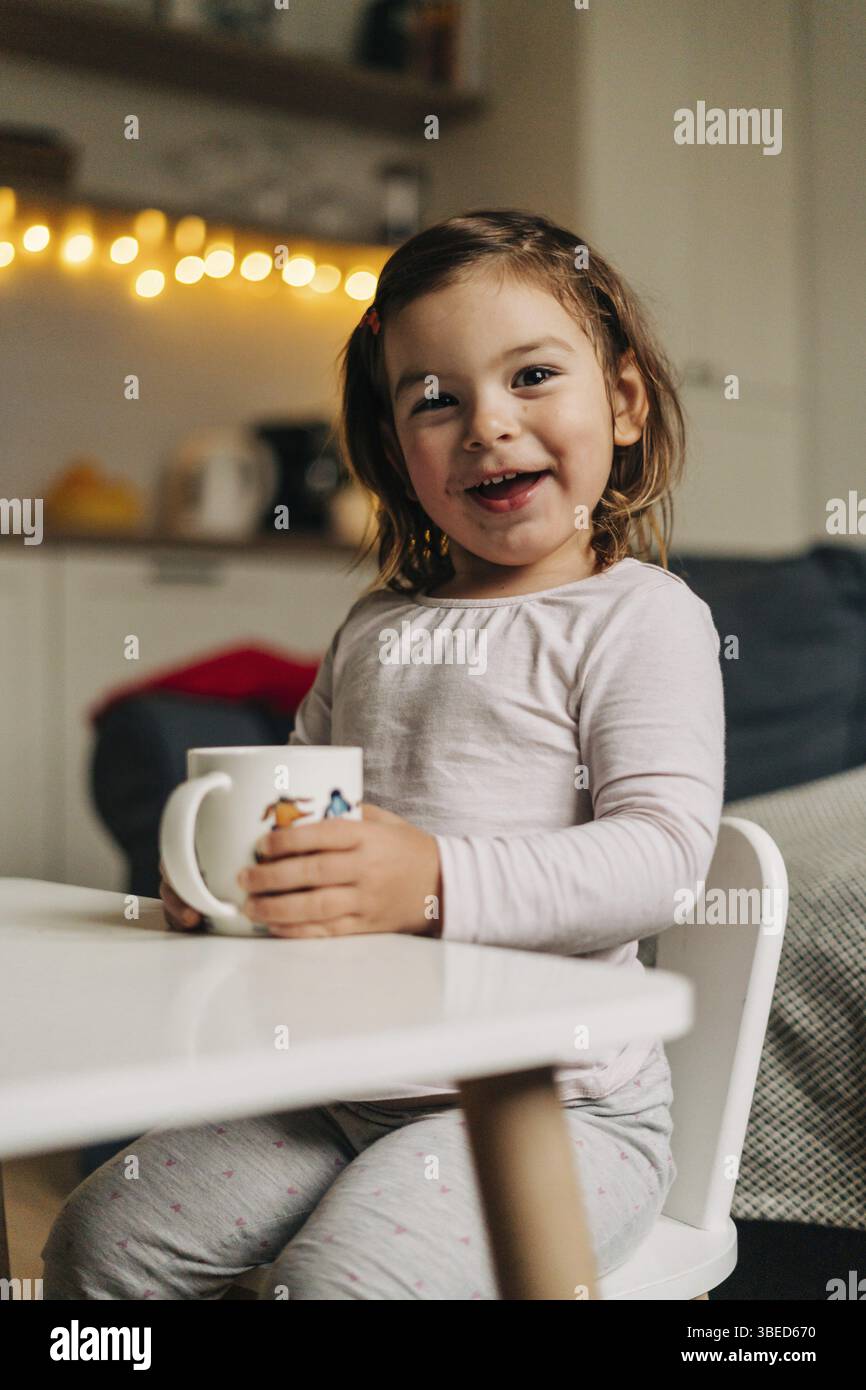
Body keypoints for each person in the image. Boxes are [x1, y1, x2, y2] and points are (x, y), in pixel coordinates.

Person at [42, 209, 724, 1299]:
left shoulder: (640, 619)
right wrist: (232, 886)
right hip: (330, 1077)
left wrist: (434, 881)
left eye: (532, 377)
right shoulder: (376, 629)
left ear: (626, 403)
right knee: (99, 1239)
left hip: (551, 1108)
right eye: (435, 399)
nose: (485, 425)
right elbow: (301, 829)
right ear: (398, 453)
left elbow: (662, 856)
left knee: (341, 1286)